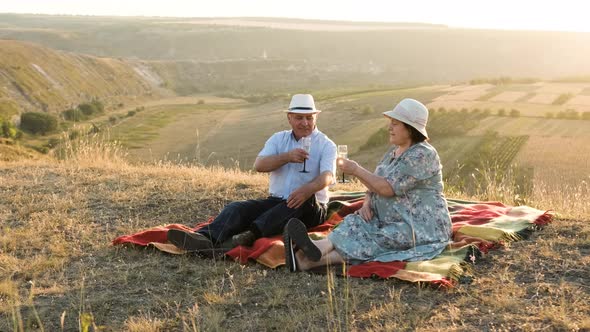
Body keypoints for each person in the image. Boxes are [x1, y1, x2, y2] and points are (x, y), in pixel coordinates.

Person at [284, 98, 452, 271]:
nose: (390, 128)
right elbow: (374, 183)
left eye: (395, 124)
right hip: (389, 217)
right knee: (356, 223)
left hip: (417, 225)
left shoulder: (422, 155)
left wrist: (356, 169)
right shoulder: (393, 152)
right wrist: (367, 203)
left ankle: (306, 259)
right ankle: (312, 251)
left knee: (377, 238)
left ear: (410, 128)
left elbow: (386, 188)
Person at [168, 94, 337, 256]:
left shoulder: (326, 145)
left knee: (300, 200)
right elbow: (259, 165)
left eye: (309, 117)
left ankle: (246, 237)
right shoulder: (278, 139)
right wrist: (287, 157)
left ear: (316, 118)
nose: (305, 122)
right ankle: (205, 238)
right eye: (299, 118)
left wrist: (308, 190)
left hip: (311, 208)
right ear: (289, 118)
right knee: (237, 208)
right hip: (277, 201)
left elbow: (328, 176)